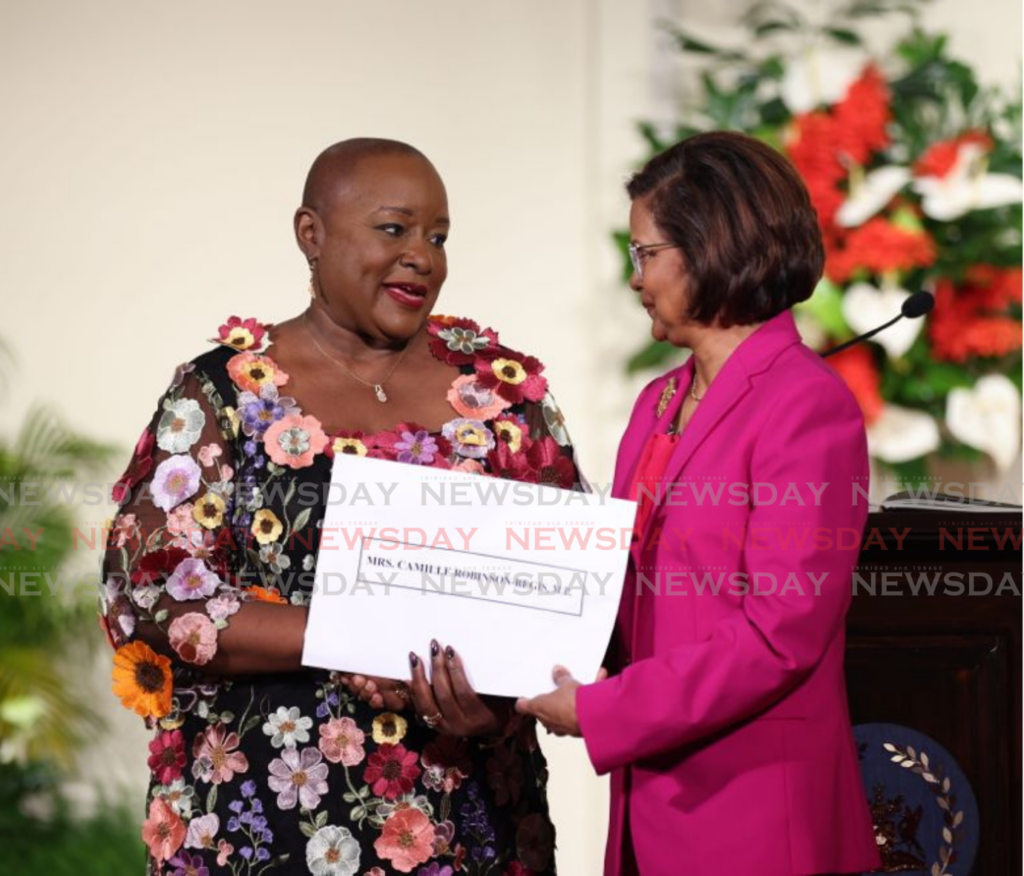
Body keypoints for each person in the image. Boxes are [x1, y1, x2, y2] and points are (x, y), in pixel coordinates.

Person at [101, 138, 578, 875]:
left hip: (468, 818)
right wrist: (358, 628)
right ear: (311, 234)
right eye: (395, 229)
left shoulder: (502, 396)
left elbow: (569, 593)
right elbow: (155, 594)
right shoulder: (223, 394)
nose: (423, 254)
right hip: (263, 817)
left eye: (439, 236)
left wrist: (498, 703)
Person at [517, 132, 882, 876]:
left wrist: (602, 711)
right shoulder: (660, 402)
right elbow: (623, 594)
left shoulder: (807, 406)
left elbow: (779, 635)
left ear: (710, 247)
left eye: (645, 254)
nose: (634, 278)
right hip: (650, 803)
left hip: (754, 815)